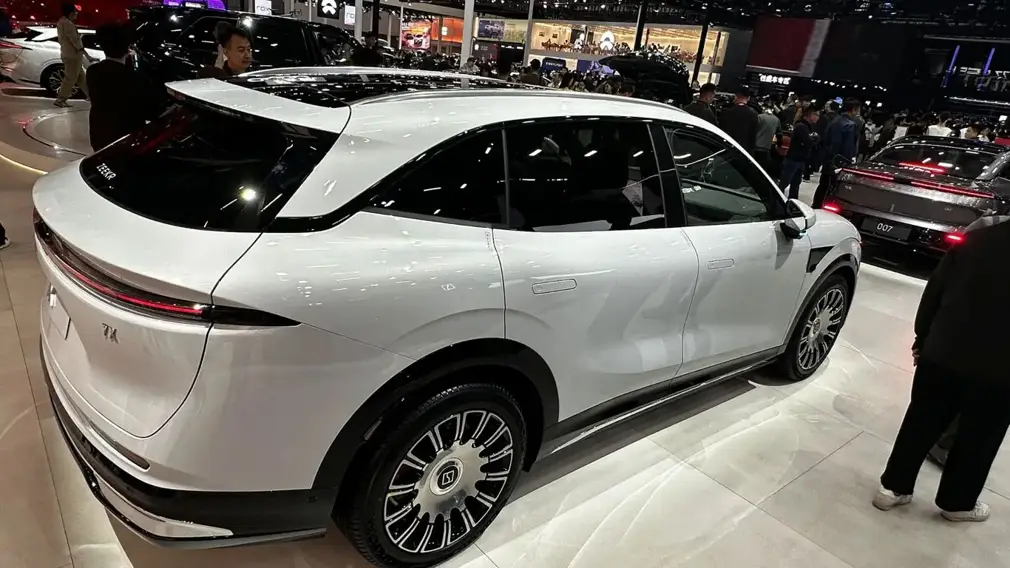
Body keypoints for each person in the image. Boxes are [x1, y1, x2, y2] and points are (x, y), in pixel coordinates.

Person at [874, 218, 1010, 523]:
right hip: (1000, 371)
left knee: (920, 420)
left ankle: (892, 488)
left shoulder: (976, 240)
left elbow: (935, 292)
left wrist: (922, 338)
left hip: (943, 350)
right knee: (979, 437)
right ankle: (956, 503)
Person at [925, 213, 1010, 468]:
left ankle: (900, 479)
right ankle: (943, 449)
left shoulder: (985, 228)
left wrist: (924, 334)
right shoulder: (986, 228)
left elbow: (939, 286)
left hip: (954, 339)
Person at [85, 23, 162, 151]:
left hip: (99, 134)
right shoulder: (135, 78)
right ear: (127, 49)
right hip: (126, 139)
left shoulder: (92, 71)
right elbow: (149, 110)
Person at [812, 98, 861, 208]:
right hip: (840, 161)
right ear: (854, 109)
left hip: (828, 158)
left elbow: (826, 140)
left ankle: (816, 205)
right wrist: (849, 162)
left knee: (823, 185)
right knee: (834, 188)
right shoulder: (850, 125)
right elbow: (848, 148)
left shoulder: (834, 120)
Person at [54, 3, 96, 108]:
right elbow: (76, 41)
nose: (76, 14)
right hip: (73, 56)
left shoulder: (61, 22)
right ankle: (60, 99)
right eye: (75, 12)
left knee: (81, 78)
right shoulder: (68, 24)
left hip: (67, 54)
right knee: (70, 79)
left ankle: (92, 97)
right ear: (71, 13)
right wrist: (88, 56)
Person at [779, 106, 819, 199]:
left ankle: (792, 201)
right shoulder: (801, 127)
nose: (818, 117)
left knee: (796, 183)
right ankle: (776, 199)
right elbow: (808, 142)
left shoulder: (807, 127)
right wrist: (815, 139)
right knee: (785, 182)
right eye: (816, 115)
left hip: (800, 159)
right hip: (793, 159)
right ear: (810, 115)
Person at [719, 87, 759, 152]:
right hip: (742, 150)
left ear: (735, 97)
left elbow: (721, 131)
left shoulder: (726, 112)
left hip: (726, 148)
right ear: (748, 98)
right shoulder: (753, 114)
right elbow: (752, 135)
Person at [753, 105, 781, 173]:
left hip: (755, 146)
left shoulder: (759, 117)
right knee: (761, 169)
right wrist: (779, 144)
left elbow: (752, 129)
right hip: (766, 147)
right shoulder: (777, 120)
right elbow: (779, 134)